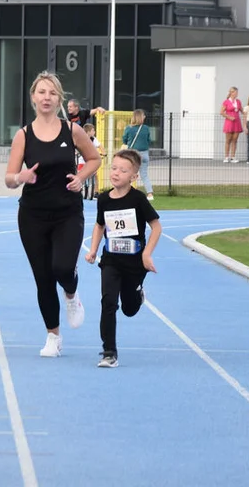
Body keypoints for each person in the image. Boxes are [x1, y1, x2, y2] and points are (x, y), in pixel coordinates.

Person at [6, 72, 101, 358]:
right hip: (32, 215)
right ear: (33, 97)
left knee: (61, 268)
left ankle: (72, 294)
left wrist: (81, 177)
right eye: (41, 92)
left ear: (59, 98)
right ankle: (53, 336)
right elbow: (9, 178)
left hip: (67, 212)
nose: (46, 97)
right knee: (43, 277)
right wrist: (20, 176)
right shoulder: (23, 135)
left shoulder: (72, 131)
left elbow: (94, 159)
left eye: (52, 93)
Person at [86, 149, 161, 368]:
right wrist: (92, 250)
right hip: (111, 260)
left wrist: (147, 254)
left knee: (129, 308)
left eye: (123, 170)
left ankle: (137, 296)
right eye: (114, 168)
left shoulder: (138, 199)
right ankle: (109, 352)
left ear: (134, 177)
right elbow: (100, 225)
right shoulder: (104, 199)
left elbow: (156, 227)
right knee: (108, 302)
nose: (116, 173)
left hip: (134, 262)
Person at [122, 109, 154, 201]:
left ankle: (128, 192)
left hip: (133, 154)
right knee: (144, 175)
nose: (144, 117)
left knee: (129, 173)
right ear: (141, 117)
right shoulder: (146, 128)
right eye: (143, 115)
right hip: (144, 153)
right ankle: (150, 194)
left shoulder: (129, 128)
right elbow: (149, 141)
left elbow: (124, 140)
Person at [220, 86, 245, 163]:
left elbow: (242, 111)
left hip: (237, 122)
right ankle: (226, 157)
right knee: (228, 140)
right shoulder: (226, 102)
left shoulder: (238, 101)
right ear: (231, 93)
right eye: (235, 92)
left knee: (235, 140)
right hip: (229, 122)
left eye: (237, 92)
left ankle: (233, 157)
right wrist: (229, 117)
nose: (237, 93)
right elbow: (221, 112)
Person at [78, 122, 101, 200]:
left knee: (91, 177)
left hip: (88, 161)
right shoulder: (83, 139)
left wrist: (103, 152)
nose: (94, 132)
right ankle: (84, 193)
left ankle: (90, 193)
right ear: (88, 132)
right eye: (93, 130)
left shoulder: (93, 139)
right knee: (84, 177)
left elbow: (100, 146)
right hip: (84, 161)